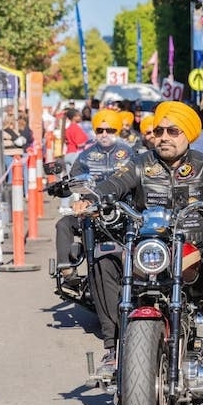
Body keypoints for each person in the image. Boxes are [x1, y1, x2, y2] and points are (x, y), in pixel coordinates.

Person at [72, 101, 203, 381]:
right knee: (103, 261)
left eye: (173, 131)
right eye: (159, 131)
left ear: (187, 134)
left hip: (195, 253)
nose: (164, 137)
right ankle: (112, 350)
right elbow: (113, 184)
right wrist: (92, 198)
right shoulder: (139, 164)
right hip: (149, 252)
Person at [55, 109, 134, 284]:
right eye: (100, 130)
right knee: (63, 224)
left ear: (118, 130)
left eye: (110, 130)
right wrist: (63, 188)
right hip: (92, 210)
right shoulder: (85, 156)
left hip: (124, 211)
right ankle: (67, 270)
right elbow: (72, 180)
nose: (104, 134)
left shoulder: (130, 153)